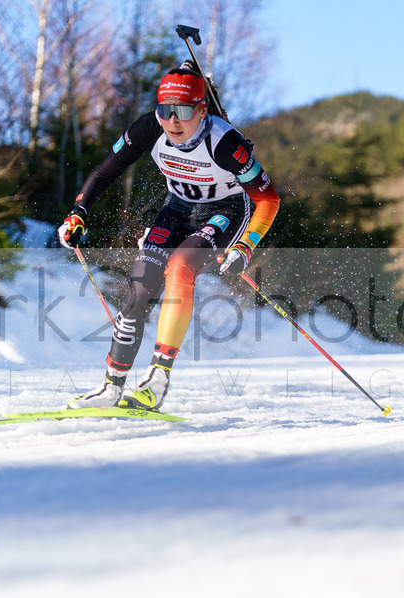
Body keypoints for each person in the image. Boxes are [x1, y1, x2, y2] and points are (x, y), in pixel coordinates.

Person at [57, 62, 279, 410]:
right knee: (141, 285)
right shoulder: (148, 128)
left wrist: (246, 246)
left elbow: (268, 198)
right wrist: (78, 213)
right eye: (165, 110)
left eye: (183, 111)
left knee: (180, 265)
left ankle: (157, 381)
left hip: (226, 210)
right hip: (177, 209)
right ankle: (111, 388)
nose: (173, 121)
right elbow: (104, 172)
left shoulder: (225, 143)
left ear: (202, 110)